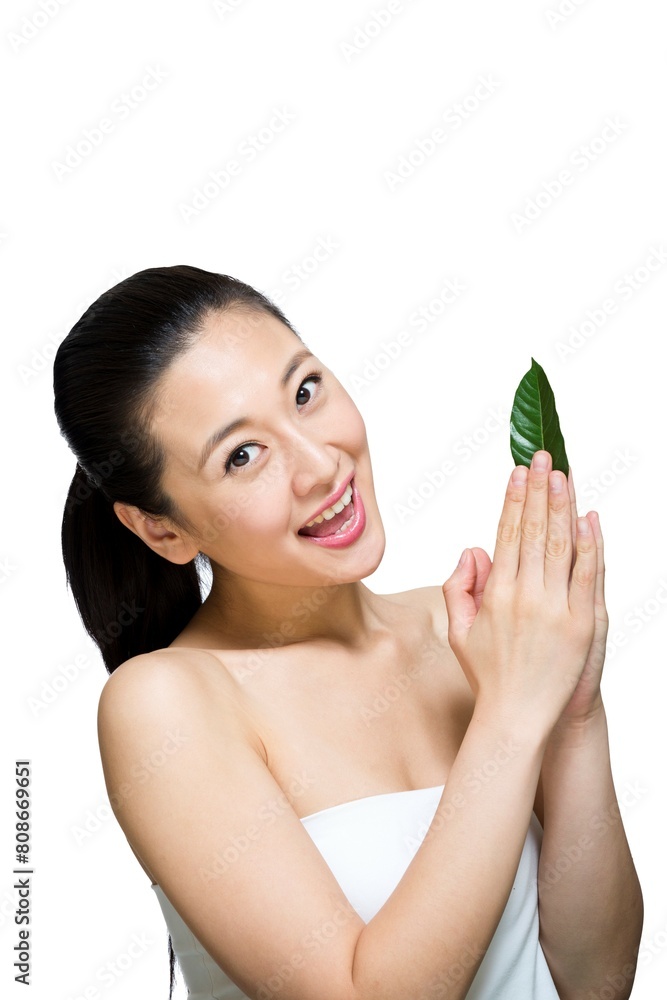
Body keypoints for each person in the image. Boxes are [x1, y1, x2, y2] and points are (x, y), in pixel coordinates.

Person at [53, 264, 643, 1000]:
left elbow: (595, 983)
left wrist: (574, 711)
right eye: (242, 455)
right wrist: (513, 715)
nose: (319, 464)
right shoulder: (166, 703)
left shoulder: (469, 631)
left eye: (304, 391)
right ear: (161, 528)